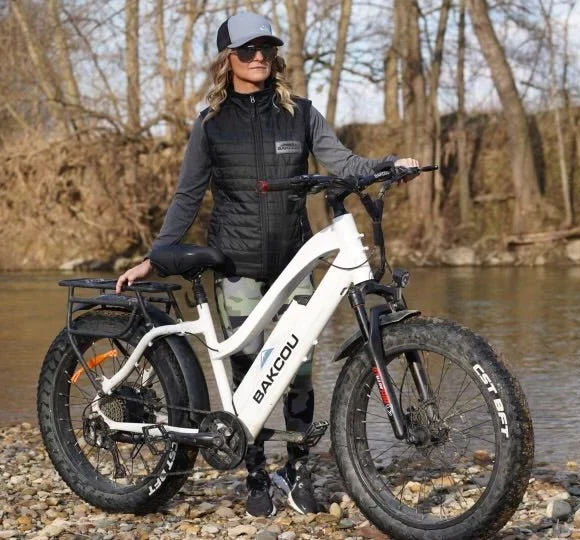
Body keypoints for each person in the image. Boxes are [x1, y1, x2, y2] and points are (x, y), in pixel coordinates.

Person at [116, 12, 418, 518]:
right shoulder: (212, 124)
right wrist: (157, 255)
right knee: (249, 369)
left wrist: (385, 165)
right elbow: (188, 195)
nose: (260, 57)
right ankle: (255, 472)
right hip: (235, 265)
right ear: (228, 58)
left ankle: (296, 469)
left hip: (294, 262)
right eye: (249, 49)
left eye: (267, 49)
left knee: (297, 369)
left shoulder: (300, 113)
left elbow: (340, 161)